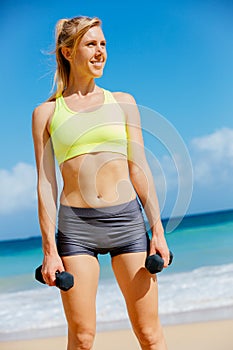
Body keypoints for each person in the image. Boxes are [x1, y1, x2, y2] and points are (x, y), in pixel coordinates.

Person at [32, 15, 170, 350]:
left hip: (126, 221)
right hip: (76, 228)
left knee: (149, 335)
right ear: (68, 52)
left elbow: (139, 169)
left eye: (103, 44)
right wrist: (50, 250)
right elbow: (46, 183)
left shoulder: (123, 102)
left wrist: (158, 231)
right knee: (82, 337)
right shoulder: (46, 114)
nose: (100, 52)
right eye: (91, 44)